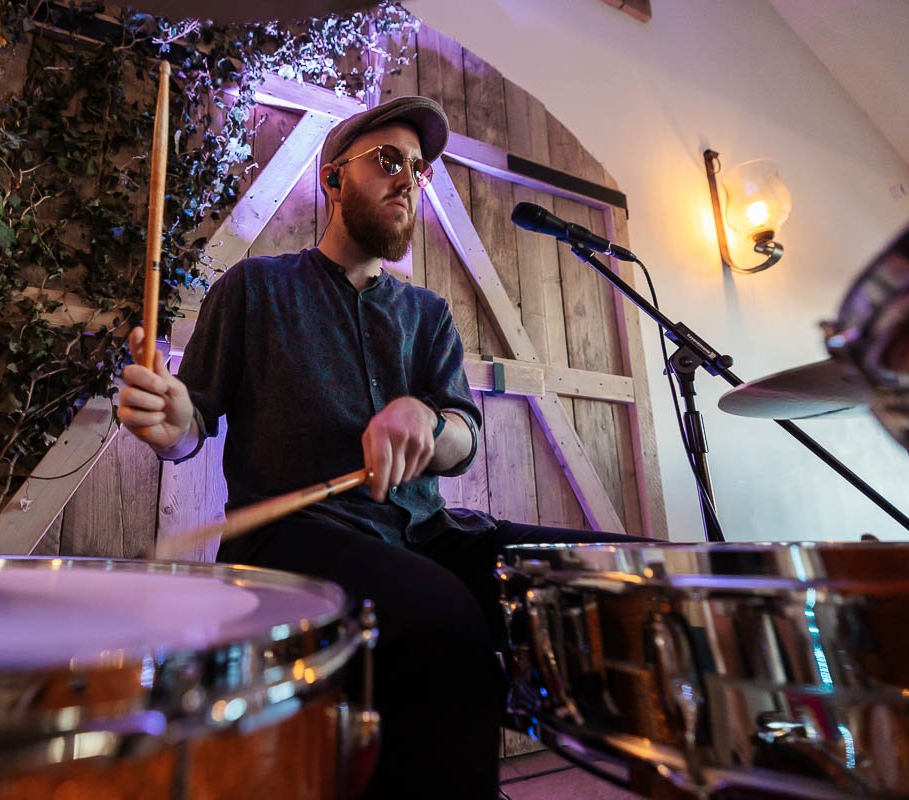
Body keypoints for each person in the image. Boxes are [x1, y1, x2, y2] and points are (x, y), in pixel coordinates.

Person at [119, 96, 645, 799]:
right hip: (291, 539)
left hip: (425, 533)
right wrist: (172, 422)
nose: (408, 179)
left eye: (419, 169)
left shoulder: (426, 313)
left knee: (606, 573)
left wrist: (429, 421)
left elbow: (463, 435)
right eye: (388, 161)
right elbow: (190, 427)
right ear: (333, 179)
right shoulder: (255, 288)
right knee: (441, 618)